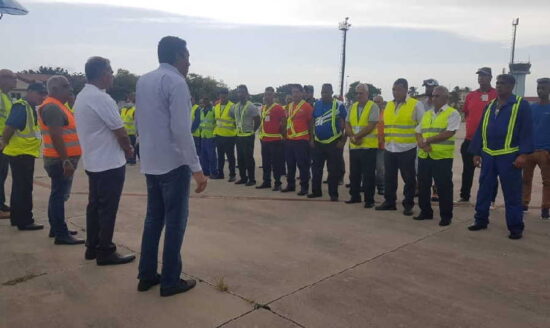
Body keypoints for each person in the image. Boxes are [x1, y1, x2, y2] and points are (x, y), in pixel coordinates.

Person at [136, 36, 207, 297]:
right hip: (173, 164)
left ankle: (146, 275)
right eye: (187, 56)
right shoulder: (176, 82)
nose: (189, 62)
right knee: (175, 222)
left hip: (151, 162)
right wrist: (196, 169)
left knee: (153, 219)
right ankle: (169, 280)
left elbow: (142, 122)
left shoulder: (144, 80)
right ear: (177, 56)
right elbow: (181, 130)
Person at [75, 56, 136, 264]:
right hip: (109, 162)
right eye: (111, 72)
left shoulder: (83, 96)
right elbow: (120, 131)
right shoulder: (101, 98)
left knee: (94, 206)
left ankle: (92, 247)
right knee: (107, 208)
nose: (112, 76)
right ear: (103, 74)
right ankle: (105, 251)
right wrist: (128, 149)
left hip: (93, 161)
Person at [468, 74, 533, 240]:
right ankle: (481, 220)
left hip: (509, 156)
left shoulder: (521, 105)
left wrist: (523, 154)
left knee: (512, 194)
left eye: (502, 83)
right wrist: (477, 151)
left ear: (512, 86)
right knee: (484, 190)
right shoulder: (490, 106)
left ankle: (515, 228)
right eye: (497, 83)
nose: (498, 86)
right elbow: (481, 128)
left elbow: (527, 131)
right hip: (489, 155)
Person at [38, 76, 84, 243]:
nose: (70, 88)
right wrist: (66, 160)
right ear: (55, 89)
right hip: (60, 160)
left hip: (61, 159)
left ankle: (56, 228)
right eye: (66, 86)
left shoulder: (59, 106)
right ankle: (60, 234)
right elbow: (56, 135)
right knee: (59, 195)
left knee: (57, 195)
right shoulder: (52, 107)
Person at [376, 78, 424, 216]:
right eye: (393, 89)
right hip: (390, 147)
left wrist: (420, 140)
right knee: (389, 177)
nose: (394, 92)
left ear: (405, 90)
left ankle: (408, 204)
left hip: (407, 148)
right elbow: (386, 124)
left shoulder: (415, 105)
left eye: (397, 89)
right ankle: (389, 202)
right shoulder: (389, 105)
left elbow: (423, 124)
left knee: (408, 178)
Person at [1, 83, 46, 230]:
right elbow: (10, 127)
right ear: (30, 92)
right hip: (21, 153)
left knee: (21, 187)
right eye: (40, 93)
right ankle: (24, 220)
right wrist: (3, 142)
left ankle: (18, 218)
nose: (42, 97)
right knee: (23, 189)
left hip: (25, 153)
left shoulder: (30, 108)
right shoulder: (22, 107)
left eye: (44, 94)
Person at [414, 86, 460, 226]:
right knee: (423, 185)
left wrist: (427, 140)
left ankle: (446, 216)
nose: (433, 98)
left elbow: (449, 133)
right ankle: (425, 211)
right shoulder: (428, 114)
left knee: (443, 187)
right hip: (424, 155)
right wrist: (421, 143)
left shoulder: (452, 113)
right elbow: (418, 131)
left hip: (441, 157)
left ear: (446, 98)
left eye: (437, 96)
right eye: (433, 96)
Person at [457, 67, 498, 203]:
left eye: (484, 75)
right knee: (467, 170)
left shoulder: (497, 95)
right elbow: (467, 114)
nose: (481, 78)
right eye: (479, 75)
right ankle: (464, 196)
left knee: (490, 172)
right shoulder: (471, 95)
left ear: (491, 78)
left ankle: (490, 199)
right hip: (470, 140)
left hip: (490, 141)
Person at [309, 83, 346, 201]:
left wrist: (343, 141)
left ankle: (333, 194)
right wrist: (311, 138)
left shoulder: (339, 105)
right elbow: (312, 121)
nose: (324, 94)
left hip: (334, 142)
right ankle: (316, 191)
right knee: (316, 169)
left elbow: (345, 124)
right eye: (322, 92)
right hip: (318, 142)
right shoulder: (317, 104)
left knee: (333, 170)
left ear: (331, 92)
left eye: (326, 92)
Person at [345, 83, 380, 207]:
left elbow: (371, 125)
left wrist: (357, 136)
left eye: (361, 93)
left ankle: (369, 200)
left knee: (368, 175)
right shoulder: (352, 107)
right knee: (354, 174)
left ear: (367, 93)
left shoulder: (373, 106)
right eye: (357, 93)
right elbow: (347, 124)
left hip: (368, 147)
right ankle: (355, 196)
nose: (359, 95)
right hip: (355, 146)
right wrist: (352, 137)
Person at [522, 78, 550, 219]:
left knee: (547, 182)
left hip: (546, 152)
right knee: (526, 180)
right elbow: (525, 128)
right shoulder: (531, 107)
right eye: (538, 88)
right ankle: (524, 204)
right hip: (529, 151)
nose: (540, 90)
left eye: (543, 88)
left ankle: (545, 208)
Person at [282, 84, 313, 196]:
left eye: (297, 92)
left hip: (302, 140)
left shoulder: (307, 106)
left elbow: (311, 123)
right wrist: (284, 135)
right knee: (290, 164)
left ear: (302, 93)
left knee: (302, 165)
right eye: (293, 92)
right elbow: (286, 121)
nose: (294, 94)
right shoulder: (289, 106)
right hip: (290, 140)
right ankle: (290, 185)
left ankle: (304, 187)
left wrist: (311, 139)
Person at [257, 87, 286, 191]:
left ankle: (277, 183)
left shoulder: (278, 108)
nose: (267, 97)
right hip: (264, 140)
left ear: (273, 96)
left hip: (275, 141)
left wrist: (282, 134)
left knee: (276, 163)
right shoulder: (263, 108)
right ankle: (266, 181)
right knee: (266, 162)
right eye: (266, 94)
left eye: (269, 94)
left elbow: (284, 121)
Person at [232, 85, 260, 186]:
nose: (240, 94)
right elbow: (235, 119)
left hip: (248, 136)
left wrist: (253, 131)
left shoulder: (251, 106)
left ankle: (252, 179)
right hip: (239, 136)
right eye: (238, 92)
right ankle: (243, 177)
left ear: (246, 93)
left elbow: (258, 120)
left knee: (248, 158)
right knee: (240, 158)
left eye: (242, 92)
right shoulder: (236, 106)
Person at [0, 69, 17, 218]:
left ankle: (1, 204)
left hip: (4, 142)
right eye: (12, 78)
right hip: (1, 140)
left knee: (2, 174)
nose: (15, 80)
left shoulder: (6, 96)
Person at [212, 88, 236, 181]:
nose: (223, 96)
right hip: (219, 135)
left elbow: (236, 121)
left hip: (229, 136)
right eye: (221, 94)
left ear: (227, 95)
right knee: (220, 156)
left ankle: (232, 175)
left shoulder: (232, 106)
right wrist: (215, 133)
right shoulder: (216, 106)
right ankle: (220, 173)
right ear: (219, 95)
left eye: (225, 94)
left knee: (230, 157)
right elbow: (216, 121)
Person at [199, 97, 218, 177]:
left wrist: (215, 134)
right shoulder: (201, 110)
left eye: (206, 101)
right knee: (204, 155)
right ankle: (206, 171)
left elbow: (217, 122)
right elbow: (201, 123)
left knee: (212, 156)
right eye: (203, 101)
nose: (204, 103)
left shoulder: (213, 110)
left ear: (209, 101)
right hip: (203, 136)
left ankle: (213, 172)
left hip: (211, 136)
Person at [373, 95, 385, 195]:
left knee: (380, 168)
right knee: (368, 168)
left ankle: (381, 186)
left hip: (381, 146)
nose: (376, 104)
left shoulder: (386, 114)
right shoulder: (370, 114)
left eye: (378, 102)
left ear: (382, 103)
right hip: (370, 145)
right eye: (374, 102)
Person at [120, 92, 137, 165]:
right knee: (126, 146)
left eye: (129, 101)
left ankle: (133, 160)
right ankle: (128, 159)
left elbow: (135, 120)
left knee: (133, 146)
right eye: (127, 101)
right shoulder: (123, 109)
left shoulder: (134, 109)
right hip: (124, 131)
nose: (128, 102)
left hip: (132, 132)